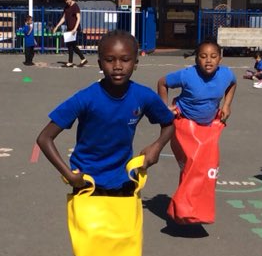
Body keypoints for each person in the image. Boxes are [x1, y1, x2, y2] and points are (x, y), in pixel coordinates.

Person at [37, 30, 174, 194]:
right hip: (87, 183)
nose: (117, 66)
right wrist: (69, 174)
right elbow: (44, 138)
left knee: (127, 220)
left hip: (124, 181)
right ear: (100, 64)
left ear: (135, 63)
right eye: (110, 60)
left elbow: (169, 123)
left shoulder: (143, 96)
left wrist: (157, 147)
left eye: (125, 60)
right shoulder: (85, 98)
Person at [156, 40, 236, 225]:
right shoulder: (187, 75)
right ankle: (183, 210)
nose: (208, 60)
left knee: (209, 168)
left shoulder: (226, 74)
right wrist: (164, 107)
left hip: (208, 127)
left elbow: (233, 84)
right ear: (196, 59)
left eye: (213, 56)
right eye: (203, 56)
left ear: (220, 59)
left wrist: (227, 104)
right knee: (193, 165)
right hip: (185, 123)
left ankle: (198, 209)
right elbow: (162, 82)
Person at [52, 0, 88, 68]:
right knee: (70, 45)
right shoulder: (66, 7)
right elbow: (63, 18)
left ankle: (81, 59)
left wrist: (75, 29)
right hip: (69, 29)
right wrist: (57, 26)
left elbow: (78, 18)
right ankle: (74, 61)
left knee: (72, 45)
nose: (67, 1)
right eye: (66, 0)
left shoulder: (75, 6)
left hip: (74, 29)